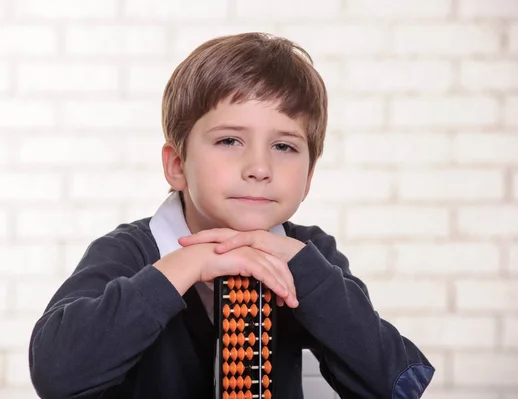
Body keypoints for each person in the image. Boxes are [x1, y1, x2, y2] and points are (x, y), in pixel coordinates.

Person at [28, 32, 435, 399]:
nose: (259, 167)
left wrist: (311, 282)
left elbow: (396, 384)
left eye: (284, 147)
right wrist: (183, 266)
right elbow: (55, 374)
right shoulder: (130, 252)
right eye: (229, 140)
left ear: (308, 178)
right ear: (176, 165)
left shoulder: (312, 256)